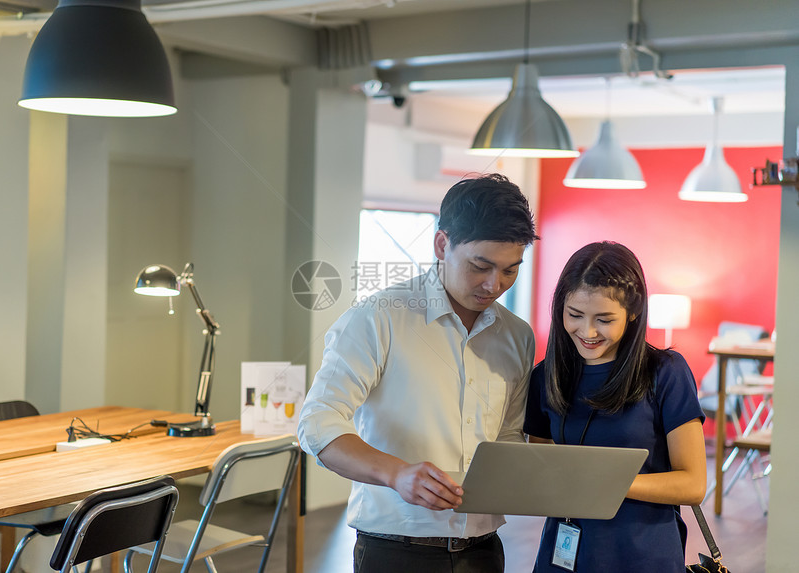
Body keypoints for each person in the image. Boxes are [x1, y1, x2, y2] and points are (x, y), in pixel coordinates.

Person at [297, 173, 539, 573]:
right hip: (394, 552)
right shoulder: (378, 318)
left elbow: (508, 437)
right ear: (442, 244)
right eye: (481, 266)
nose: (494, 284)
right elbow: (317, 423)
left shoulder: (517, 336)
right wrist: (396, 474)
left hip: (484, 550)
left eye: (510, 270)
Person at [524, 241, 706, 572]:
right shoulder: (545, 376)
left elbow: (692, 485)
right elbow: (542, 470)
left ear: (633, 312)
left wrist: (605, 482)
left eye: (604, 319)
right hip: (562, 555)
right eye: (575, 315)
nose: (588, 331)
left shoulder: (665, 372)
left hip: (641, 555)